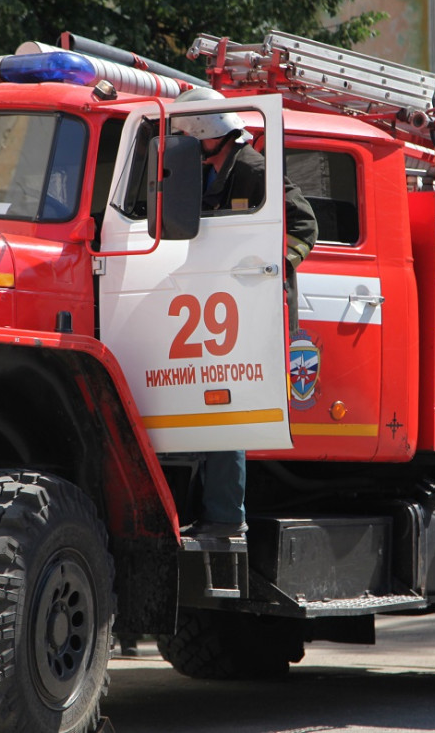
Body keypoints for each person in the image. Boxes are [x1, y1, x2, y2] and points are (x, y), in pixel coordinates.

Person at [172, 87, 318, 539]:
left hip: (250, 305)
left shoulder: (253, 169)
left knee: (226, 411)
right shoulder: (207, 173)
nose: (186, 147)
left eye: (189, 139)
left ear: (207, 135)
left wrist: (274, 269)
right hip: (216, 305)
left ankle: (224, 517)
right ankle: (207, 511)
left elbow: (304, 224)